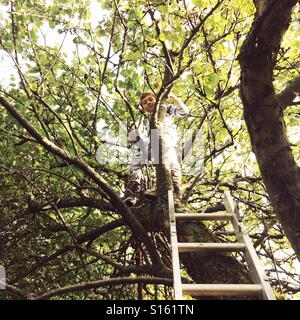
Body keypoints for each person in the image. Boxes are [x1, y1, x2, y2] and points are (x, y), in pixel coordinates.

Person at [123, 91, 189, 206]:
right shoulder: (148, 122)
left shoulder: (165, 109)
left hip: (166, 140)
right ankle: (133, 191)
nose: (148, 103)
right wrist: (137, 139)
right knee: (136, 160)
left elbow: (184, 112)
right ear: (143, 108)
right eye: (144, 103)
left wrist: (172, 96)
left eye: (150, 99)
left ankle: (175, 189)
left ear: (156, 100)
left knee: (170, 158)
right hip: (153, 146)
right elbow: (146, 142)